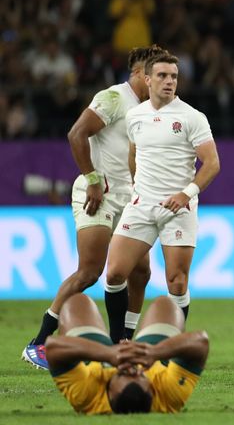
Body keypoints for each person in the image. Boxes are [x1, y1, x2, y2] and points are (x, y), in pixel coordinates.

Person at [22, 45, 168, 371]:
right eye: (155, 74)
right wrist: (91, 179)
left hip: (130, 202)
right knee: (90, 272)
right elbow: (77, 134)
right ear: (140, 73)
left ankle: (124, 342)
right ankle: (40, 342)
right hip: (97, 196)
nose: (161, 80)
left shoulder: (151, 108)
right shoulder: (115, 97)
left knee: (141, 271)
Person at [104, 52, 220, 344]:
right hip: (141, 206)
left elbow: (212, 163)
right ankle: (120, 341)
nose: (169, 82)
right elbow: (133, 155)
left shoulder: (192, 117)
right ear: (147, 78)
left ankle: (172, 345)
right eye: (162, 76)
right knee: (115, 273)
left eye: (174, 77)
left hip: (177, 209)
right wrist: (136, 188)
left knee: (176, 282)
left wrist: (187, 193)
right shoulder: (135, 115)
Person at [46, 293, 209, 414]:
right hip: (151, 357)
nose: (132, 366)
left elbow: (53, 346)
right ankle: (138, 346)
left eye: (122, 372)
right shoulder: (168, 394)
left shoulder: (87, 395)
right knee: (166, 304)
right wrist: (154, 352)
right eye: (139, 374)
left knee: (76, 302)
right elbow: (201, 341)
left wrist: (108, 354)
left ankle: (113, 343)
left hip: (97, 357)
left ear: (110, 392)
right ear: (151, 390)